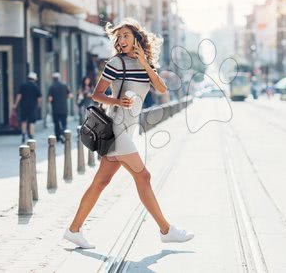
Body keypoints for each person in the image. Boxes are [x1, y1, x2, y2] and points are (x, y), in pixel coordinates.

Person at [63, 18, 194, 249]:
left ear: (136, 38)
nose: (121, 40)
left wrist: (145, 63)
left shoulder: (144, 66)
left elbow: (162, 88)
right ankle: (166, 229)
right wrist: (117, 100)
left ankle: (74, 229)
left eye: (126, 35)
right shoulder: (116, 62)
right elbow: (96, 94)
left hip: (127, 130)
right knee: (143, 177)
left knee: (101, 182)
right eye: (119, 36)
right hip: (116, 128)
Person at [13, 72, 42, 143]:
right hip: (32, 106)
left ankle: (23, 135)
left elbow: (19, 96)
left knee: (24, 121)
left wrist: (15, 104)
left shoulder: (23, 86)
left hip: (23, 106)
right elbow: (39, 98)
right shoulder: (35, 86)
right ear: (34, 79)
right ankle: (31, 135)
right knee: (32, 121)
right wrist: (39, 105)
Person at [48, 72, 72, 143]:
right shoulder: (64, 86)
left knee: (56, 124)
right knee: (64, 123)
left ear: (53, 79)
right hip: (64, 108)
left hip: (55, 109)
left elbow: (50, 99)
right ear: (59, 78)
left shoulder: (51, 87)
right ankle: (64, 135)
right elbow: (70, 95)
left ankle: (58, 137)